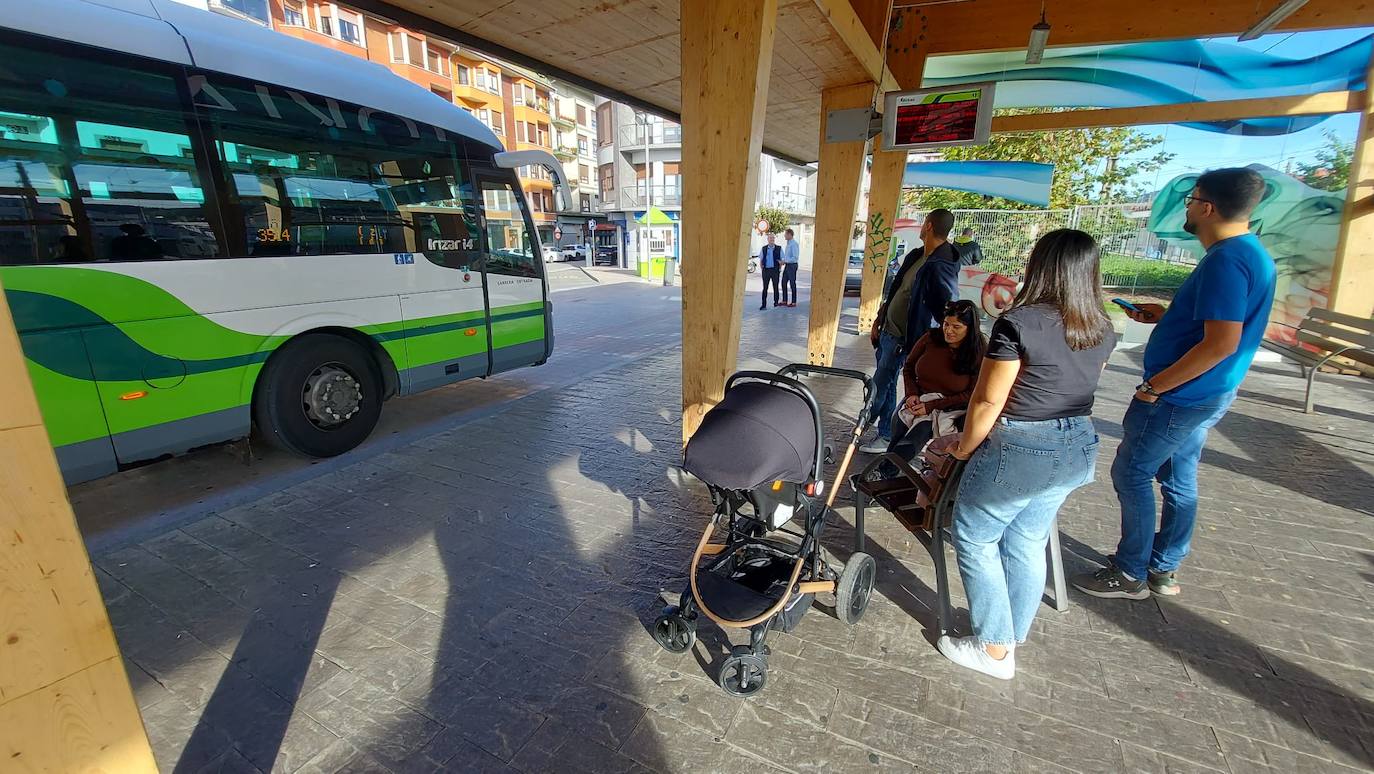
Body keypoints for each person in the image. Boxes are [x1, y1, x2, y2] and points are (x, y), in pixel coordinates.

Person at [1072, 168, 1275, 600]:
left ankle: (1130, 573)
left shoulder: (1227, 259)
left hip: (1180, 396)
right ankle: (1162, 567)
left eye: (1191, 199)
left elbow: (1221, 343)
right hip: (1206, 393)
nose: (1188, 207)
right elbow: (1217, 326)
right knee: (1179, 479)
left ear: (1208, 206)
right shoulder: (1250, 252)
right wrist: (1168, 316)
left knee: (1132, 473)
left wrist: (1155, 388)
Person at [939, 229, 1115, 680]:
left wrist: (962, 448)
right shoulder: (1101, 326)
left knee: (975, 538)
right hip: (1078, 442)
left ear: (1042, 266)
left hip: (1022, 445)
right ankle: (1010, 635)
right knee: (1026, 540)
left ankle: (994, 650)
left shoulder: (1018, 322)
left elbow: (987, 401)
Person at [863, 209, 960, 453]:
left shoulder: (942, 264)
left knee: (880, 384)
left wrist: (930, 339)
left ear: (928, 226)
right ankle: (885, 433)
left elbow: (947, 307)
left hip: (903, 339)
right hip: (888, 331)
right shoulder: (917, 255)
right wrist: (879, 320)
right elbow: (896, 291)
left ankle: (866, 424)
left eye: (922, 222)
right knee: (886, 383)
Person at [886, 299, 985, 462]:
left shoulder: (979, 352)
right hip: (918, 397)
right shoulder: (931, 338)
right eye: (946, 324)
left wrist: (931, 406)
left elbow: (970, 394)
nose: (949, 331)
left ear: (970, 329)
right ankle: (883, 471)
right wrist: (912, 394)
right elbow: (909, 367)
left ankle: (884, 473)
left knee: (914, 439)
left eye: (956, 327)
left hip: (949, 407)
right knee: (898, 426)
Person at [758, 233, 782, 309]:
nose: (772, 239)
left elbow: (782, 259)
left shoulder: (779, 248)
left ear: (774, 239)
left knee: (775, 287)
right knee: (765, 287)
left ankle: (776, 303)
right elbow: (761, 259)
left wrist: (780, 265)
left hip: (775, 270)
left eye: (773, 238)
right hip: (766, 270)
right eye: (770, 238)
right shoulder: (764, 248)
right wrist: (761, 266)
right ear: (767, 239)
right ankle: (763, 304)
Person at [781, 227, 800, 306]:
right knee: (783, 282)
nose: (784, 236)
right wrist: (783, 261)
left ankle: (793, 302)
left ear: (789, 235)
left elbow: (795, 257)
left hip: (792, 266)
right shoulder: (788, 244)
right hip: (787, 265)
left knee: (792, 283)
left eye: (785, 234)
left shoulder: (794, 244)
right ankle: (784, 300)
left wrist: (786, 261)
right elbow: (788, 256)